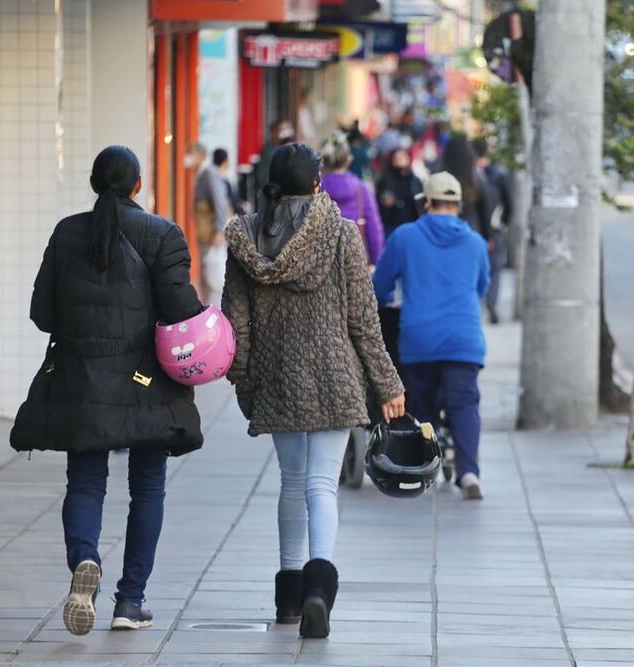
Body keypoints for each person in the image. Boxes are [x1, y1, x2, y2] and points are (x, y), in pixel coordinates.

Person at [10, 145, 204, 636]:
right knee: (148, 488)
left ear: (95, 184)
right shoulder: (162, 234)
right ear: (138, 185)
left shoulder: (66, 232)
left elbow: (43, 316)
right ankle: (130, 601)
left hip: (80, 380)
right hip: (145, 381)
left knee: (85, 482)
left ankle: (84, 558)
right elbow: (182, 311)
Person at [221, 143, 404, 639]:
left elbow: (234, 322)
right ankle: (319, 590)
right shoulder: (343, 235)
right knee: (322, 485)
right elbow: (364, 321)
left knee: (291, 482)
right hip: (335, 375)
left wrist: (242, 380)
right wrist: (387, 383)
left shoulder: (248, 240)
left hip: (277, 376)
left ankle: (287, 598)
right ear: (318, 185)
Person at [372, 172, 490, 500]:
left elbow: (378, 287)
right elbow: (482, 287)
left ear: (426, 202)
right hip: (464, 340)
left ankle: (426, 468)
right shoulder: (477, 243)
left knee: (421, 404)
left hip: (419, 338)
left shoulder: (405, 237)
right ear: (459, 206)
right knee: (464, 403)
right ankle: (468, 472)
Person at [319, 131, 385, 265]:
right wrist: (376, 260)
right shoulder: (361, 189)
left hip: (323, 261)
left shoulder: (317, 189)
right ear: (349, 160)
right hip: (355, 261)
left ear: (323, 162)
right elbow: (373, 228)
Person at [473, 139, 514, 324]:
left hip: (492, 229)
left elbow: (509, 205)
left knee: (494, 268)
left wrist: (501, 223)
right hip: (481, 231)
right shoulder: (477, 176)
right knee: (489, 269)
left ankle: (490, 302)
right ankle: (487, 301)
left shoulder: (497, 175)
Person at [191, 142, 231, 305]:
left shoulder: (209, 173)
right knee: (208, 277)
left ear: (200, 155)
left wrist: (218, 230)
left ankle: (216, 315)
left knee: (214, 278)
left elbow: (220, 203)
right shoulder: (202, 174)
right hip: (206, 234)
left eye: (190, 153)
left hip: (212, 235)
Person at [437, 134, 490, 240]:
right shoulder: (477, 180)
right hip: (470, 231)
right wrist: (487, 236)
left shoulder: (438, 179)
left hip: (442, 232)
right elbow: (484, 212)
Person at [375, 147, 423, 237]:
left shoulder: (415, 181)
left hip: (411, 224)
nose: (400, 160)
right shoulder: (384, 180)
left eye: (403, 157)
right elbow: (377, 201)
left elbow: (420, 202)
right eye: (397, 158)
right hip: (390, 225)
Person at [213, 148, 246, 216]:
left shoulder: (212, 178)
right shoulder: (224, 182)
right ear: (225, 161)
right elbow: (234, 205)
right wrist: (243, 209)